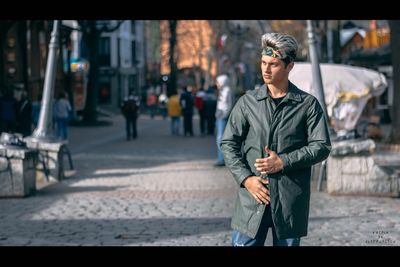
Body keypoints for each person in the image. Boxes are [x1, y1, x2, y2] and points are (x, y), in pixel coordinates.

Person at [221, 32, 331, 246]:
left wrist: (283, 161)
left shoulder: (307, 105)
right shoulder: (247, 103)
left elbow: (322, 146)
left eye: (273, 64)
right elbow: (228, 143)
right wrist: (246, 179)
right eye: (263, 63)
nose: (266, 69)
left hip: (290, 200)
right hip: (253, 199)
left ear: (289, 66)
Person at [214, 74, 235, 166]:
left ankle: (222, 159)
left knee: (221, 139)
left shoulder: (227, 91)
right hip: (219, 117)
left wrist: (224, 115)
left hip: (223, 117)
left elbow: (230, 104)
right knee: (219, 138)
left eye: (218, 82)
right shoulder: (222, 91)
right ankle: (221, 158)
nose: (217, 84)